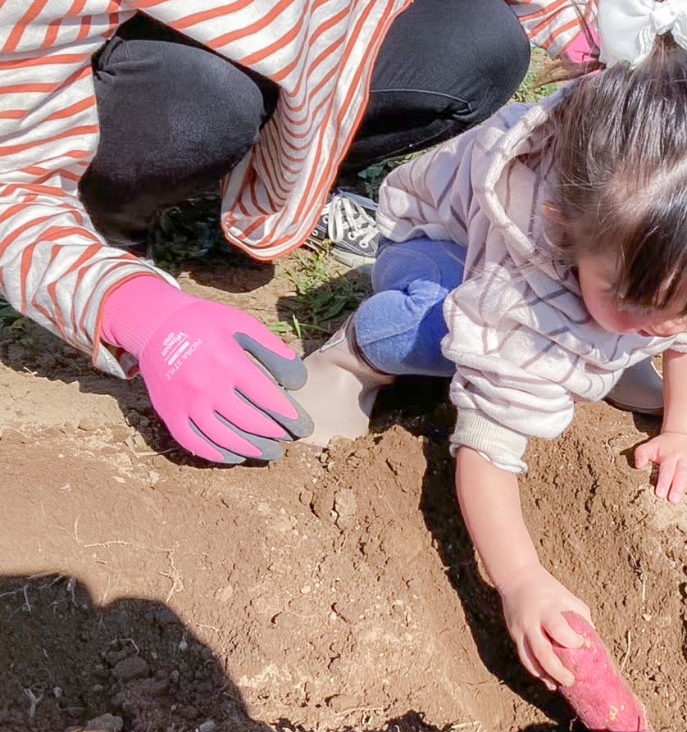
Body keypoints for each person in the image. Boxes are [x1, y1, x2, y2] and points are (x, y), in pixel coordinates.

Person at [294, 0, 687, 690]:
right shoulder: (526, 269)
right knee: (436, 331)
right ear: (567, 231)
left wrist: (683, 431)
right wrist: (522, 580)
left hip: (600, 261)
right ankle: (356, 355)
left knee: (641, 318)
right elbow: (487, 446)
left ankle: (603, 346)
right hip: (436, 245)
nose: (664, 326)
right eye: (633, 300)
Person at [0, 0, 595, 465]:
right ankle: (114, 216)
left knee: (482, 41)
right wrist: (137, 311)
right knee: (203, 109)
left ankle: (285, 180)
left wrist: (620, 56)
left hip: (311, 41)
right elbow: (10, 183)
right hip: (148, 70)